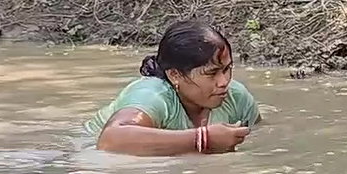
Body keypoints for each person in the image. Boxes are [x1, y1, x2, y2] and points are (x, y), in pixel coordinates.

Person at [84, 19, 261, 155]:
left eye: (227, 69)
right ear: (175, 75)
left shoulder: (237, 97)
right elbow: (110, 141)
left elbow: (266, 136)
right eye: (211, 73)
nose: (224, 81)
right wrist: (203, 139)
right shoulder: (153, 94)